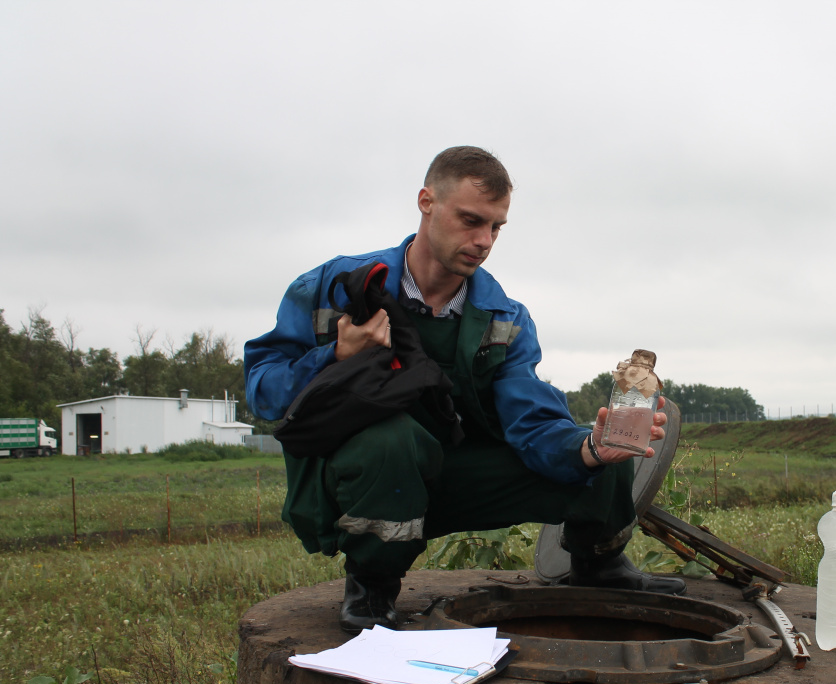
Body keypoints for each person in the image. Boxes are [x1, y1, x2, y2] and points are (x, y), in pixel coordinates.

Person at [245, 146, 684, 632]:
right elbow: (264, 390)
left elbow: (530, 417)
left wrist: (587, 449)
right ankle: (372, 582)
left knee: (604, 450)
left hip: (455, 475)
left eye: (496, 227)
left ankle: (598, 564)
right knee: (392, 440)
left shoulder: (504, 318)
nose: (483, 240)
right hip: (358, 479)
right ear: (426, 201)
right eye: (471, 220)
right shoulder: (335, 287)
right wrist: (336, 356)